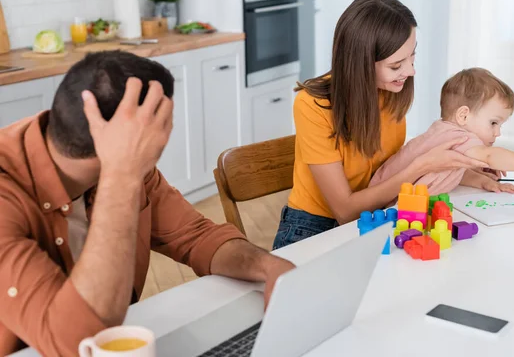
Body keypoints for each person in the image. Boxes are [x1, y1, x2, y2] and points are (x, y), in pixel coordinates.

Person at [0, 51, 295, 357]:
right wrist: (122, 174)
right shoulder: (121, 171)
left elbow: (196, 237)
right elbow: (79, 342)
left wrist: (268, 266)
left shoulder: (128, 169)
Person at [272, 0, 489, 250]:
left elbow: (390, 171)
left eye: (412, 57)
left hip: (377, 216)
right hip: (314, 229)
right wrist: (421, 166)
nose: (410, 72)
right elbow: (345, 211)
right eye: (397, 65)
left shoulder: (389, 93)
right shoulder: (313, 105)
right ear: (361, 63)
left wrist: (463, 169)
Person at [370, 67, 514, 204]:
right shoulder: (459, 136)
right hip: (383, 206)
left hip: (383, 197)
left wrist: (484, 182)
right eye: (493, 123)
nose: (497, 132)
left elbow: (453, 172)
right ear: (463, 115)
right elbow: (491, 156)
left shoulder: (442, 130)